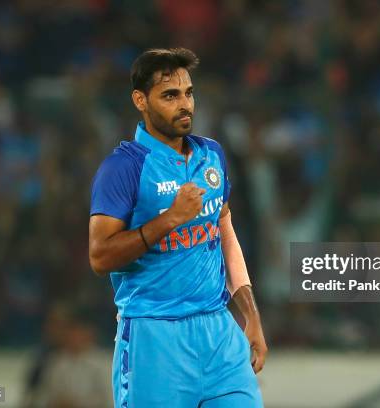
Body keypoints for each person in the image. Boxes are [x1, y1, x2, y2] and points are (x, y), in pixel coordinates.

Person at [88, 48, 267, 407]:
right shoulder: (123, 168)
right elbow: (100, 256)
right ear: (141, 100)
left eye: (188, 93)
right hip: (154, 338)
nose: (184, 104)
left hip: (219, 334)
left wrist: (251, 317)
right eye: (170, 95)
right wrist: (170, 218)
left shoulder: (211, 154)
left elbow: (225, 234)